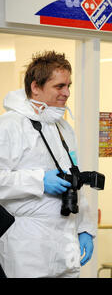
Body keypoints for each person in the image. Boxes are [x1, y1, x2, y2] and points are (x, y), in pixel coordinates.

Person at [0, 51, 96, 278]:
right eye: (59, 86)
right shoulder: (10, 126)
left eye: (69, 85)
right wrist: (39, 181)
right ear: (35, 87)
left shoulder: (63, 128)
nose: (67, 93)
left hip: (66, 241)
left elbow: (75, 179)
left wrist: (85, 228)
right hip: (27, 245)